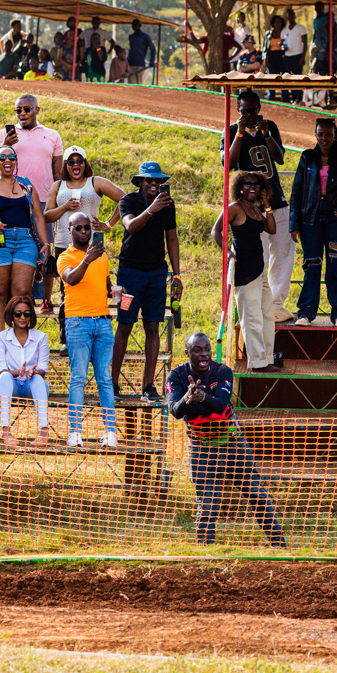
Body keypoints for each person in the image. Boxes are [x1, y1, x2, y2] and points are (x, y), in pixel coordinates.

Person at [167, 332, 287, 548]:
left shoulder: (223, 372)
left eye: (207, 349)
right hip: (201, 447)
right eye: (198, 350)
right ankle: (206, 550)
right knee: (207, 504)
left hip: (233, 444)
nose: (204, 354)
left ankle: (280, 546)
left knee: (257, 495)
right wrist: (188, 397)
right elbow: (175, 410)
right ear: (187, 353)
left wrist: (201, 399)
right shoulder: (176, 376)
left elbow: (222, 408)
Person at [224, 89, 296, 322]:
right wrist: (241, 133)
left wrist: (266, 135)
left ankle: (276, 304)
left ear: (259, 109)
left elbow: (280, 158)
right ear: (237, 110)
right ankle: (258, 303)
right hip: (250, 207)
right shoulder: (232, 130)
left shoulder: (270, 127)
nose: (249, 116)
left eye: (253, 111)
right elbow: (229, 162)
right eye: (244, 111)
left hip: (275, 199)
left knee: (283, 254)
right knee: (259, 254)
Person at [113, 161, 181, 404]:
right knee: (125, 325)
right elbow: (131, 226)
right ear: (140, 181)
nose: (154, 184)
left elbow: (171, 240)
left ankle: (148, 386)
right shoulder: (128, 202)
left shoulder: (167, 205)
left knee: (153, 327)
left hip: (156, 275)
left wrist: (177, 274)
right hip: (130, 274)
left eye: (158, 180)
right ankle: (113, 383)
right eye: (149, 180)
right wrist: (151, 208)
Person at [45, 145, 123, 349]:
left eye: (80, 161)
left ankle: (94, 335)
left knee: (95, 287)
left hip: (91, 243)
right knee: (66, 291)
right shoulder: (58, 185)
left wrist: (108, 223)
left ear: (85, 163)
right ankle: (66, 340)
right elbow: (47, 215)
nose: (75, 165)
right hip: (65, 243)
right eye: (71, 162)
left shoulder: (94, 182)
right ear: (66, 165)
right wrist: (64, 207)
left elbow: (125, 199)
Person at [0, 95, 64, 312]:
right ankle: (19, 297)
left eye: (26, 109)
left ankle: (45, 297)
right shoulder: (5, 134)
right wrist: (6, 144)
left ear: (37, 110)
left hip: (44, 199)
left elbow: (58, 172)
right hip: (14, 200)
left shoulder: (51, 135)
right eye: (18, 110)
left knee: (45, 247)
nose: (22, 113)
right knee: (19, 246)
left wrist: (56, 197)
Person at [289, 118, 337, 326]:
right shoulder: (307, 157)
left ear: (335, 135)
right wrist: (294, 224)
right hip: (310, 216)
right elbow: (296, 192)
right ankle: (305, 313)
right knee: (312, 264)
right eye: (320, 134)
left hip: (335, 217)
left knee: (335, 265)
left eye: (328, 134)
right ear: (315, 135)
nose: (324, 138)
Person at [0, 147, 48, 338]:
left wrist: (45, 244)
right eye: (2, 157)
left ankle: (21, 340)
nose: (8, 160)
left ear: (16, 161)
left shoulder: (26, 185)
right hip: (0, 240)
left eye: (12, 157)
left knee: (21, 293)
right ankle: (0, 342)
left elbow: (39, 217)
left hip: (25, 241)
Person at [57, 213, 118, 448]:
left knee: (105, 378)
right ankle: (74, 433)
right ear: (70, 230)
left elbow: (105, 286)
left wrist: (116, 291)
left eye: (87, 228)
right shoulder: (65, 256)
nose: (84, 232)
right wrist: (87, 259)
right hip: (78, 322)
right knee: (79, 378)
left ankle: (111, 432)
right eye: (79, 228)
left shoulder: (101, 257)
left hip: (102, 321)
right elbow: (71, 279)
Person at [213, 172, 280, 373]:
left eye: (257, 185)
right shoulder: (235, 208)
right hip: (244, 269)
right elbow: (216, 230)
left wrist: (267, 204)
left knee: (267, 315)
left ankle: (267, 358)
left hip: (259, 268)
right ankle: (258, 362)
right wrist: (228, 253)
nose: (252, 188)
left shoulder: (256, 210)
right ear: (240, 187)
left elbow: (272, 229)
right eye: (248, 184)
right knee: (252, 318)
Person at [0, 296, 50, 447]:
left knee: (38, 380)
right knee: (4, 377)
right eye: (18, 314)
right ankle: (6, 432)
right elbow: (1, 370)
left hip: (32, 385)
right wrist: (19, 372)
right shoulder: (2, 338)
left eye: (27, 313)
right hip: (10, 387)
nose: (22, 317)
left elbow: (43, 367)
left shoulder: (40, 337)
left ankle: (44, 433)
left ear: (31, 315)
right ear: (11, 315)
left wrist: (34, 372)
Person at [283, 8, 308, 103]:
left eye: (292, 15)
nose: (291, 17)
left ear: (295, 16)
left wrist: (303, 57)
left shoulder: (301, 28)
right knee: (290, 78)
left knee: (298, 77)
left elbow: (305, 43)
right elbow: (282, 43)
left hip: (297, 56)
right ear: (287, 17)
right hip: (287, 56)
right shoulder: (284, 30)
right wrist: (283, 48)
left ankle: (298, 97)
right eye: (289, 15)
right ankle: (293, 97)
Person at [263, 14, 288, 102]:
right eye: (276, 22)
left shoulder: (284, 33)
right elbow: (264, 47)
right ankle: (271, 97)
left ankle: (285, 98)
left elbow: (287, 44)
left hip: (281, 56)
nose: (277, 24)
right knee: (271, 77)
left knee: (282, 77)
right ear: (273, 23)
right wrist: (265, 58)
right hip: (271, 57)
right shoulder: (268, 34)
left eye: (279, 22)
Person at [126, 19, 155, 84]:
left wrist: (152, 61)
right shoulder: (131, 37)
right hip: (130, 64)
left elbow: (153, 49)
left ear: (139, 25)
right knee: (131, 85)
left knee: (138, 84)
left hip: (140, 64)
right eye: (133, 25)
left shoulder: (145, 37)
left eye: (135, 25)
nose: (134, 27)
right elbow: (131, 50)